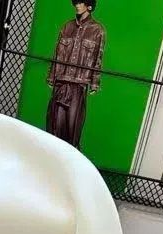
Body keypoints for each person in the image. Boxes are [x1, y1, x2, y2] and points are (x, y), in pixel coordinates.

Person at [46, 1, 105, 147]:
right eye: (76, 2)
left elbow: (98, 58)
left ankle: (69, 157)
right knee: (54, 126)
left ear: (89, 6)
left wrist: (95, 83)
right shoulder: (67, 27)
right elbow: (57, 54)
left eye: (81, 2)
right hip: (61, 82)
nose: (77, 5)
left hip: (79, 84)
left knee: (73, 130)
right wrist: (52, 76)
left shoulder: (97, 30)